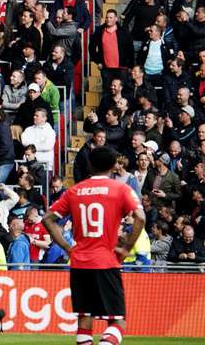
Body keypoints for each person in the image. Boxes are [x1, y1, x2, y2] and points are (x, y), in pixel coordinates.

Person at [43, 146, 144, 345]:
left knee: (84, 319)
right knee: (117, 321)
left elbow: (47, 218)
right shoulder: (121, 189)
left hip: (79, 262)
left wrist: (68, 247)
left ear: (89, 165)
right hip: (106, 261)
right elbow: (140, 217)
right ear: (114, 166)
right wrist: (126, 248)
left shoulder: (74, 191)